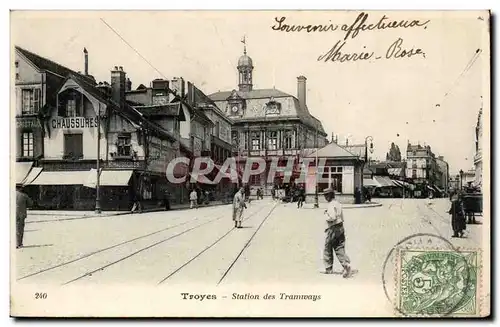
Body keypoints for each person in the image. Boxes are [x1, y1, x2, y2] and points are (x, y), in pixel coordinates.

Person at [323, 187, 352, 278]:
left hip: (333, 228)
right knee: (339, 247)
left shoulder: (331, 205)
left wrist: (326, 215)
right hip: (340, 227)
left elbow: (332, 217)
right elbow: (341, 216)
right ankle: (346, 264)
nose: (325, 197)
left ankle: (328, 268)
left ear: (329, 196)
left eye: (325, 196)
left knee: (327, 248)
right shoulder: (338, 203)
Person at [16, 185, 33, 249]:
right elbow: (30, 204)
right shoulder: (24, 195)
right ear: (20, 188)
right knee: (19, 229)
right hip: (21, 214)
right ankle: (18, 244)